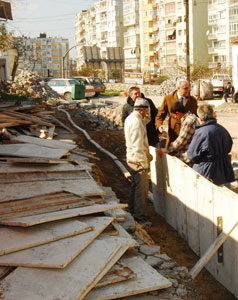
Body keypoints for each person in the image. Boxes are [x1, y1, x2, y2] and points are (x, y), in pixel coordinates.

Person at [186, 104, 235, 186]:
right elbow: (229, 146)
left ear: (200, 118)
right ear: (213, 114)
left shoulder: (201, 132)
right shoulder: (223, 129)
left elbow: (191, 155)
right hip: (225, 171)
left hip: (207, 172)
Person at [124, 98, 153, 226]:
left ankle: (132, 210)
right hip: (137, 161)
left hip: (133, 159)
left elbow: (147, 121)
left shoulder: (133, 118)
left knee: (135, 187)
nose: (148, 112)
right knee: (142, 191)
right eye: (147, 110)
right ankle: (140, 218)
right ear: (143, 109)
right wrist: (144, 163)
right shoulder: (136, 122)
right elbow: (137, 146)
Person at [155, 79, 198, 148]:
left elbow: (197, 115)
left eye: (188, 88)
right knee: (171, 153)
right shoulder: (168, 98)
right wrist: (159, 126)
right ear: (178, 88)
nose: (188, 90)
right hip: (174, 133)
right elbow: (160, 115)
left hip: (187, 135)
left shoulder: (192, 100)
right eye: (185, 88)